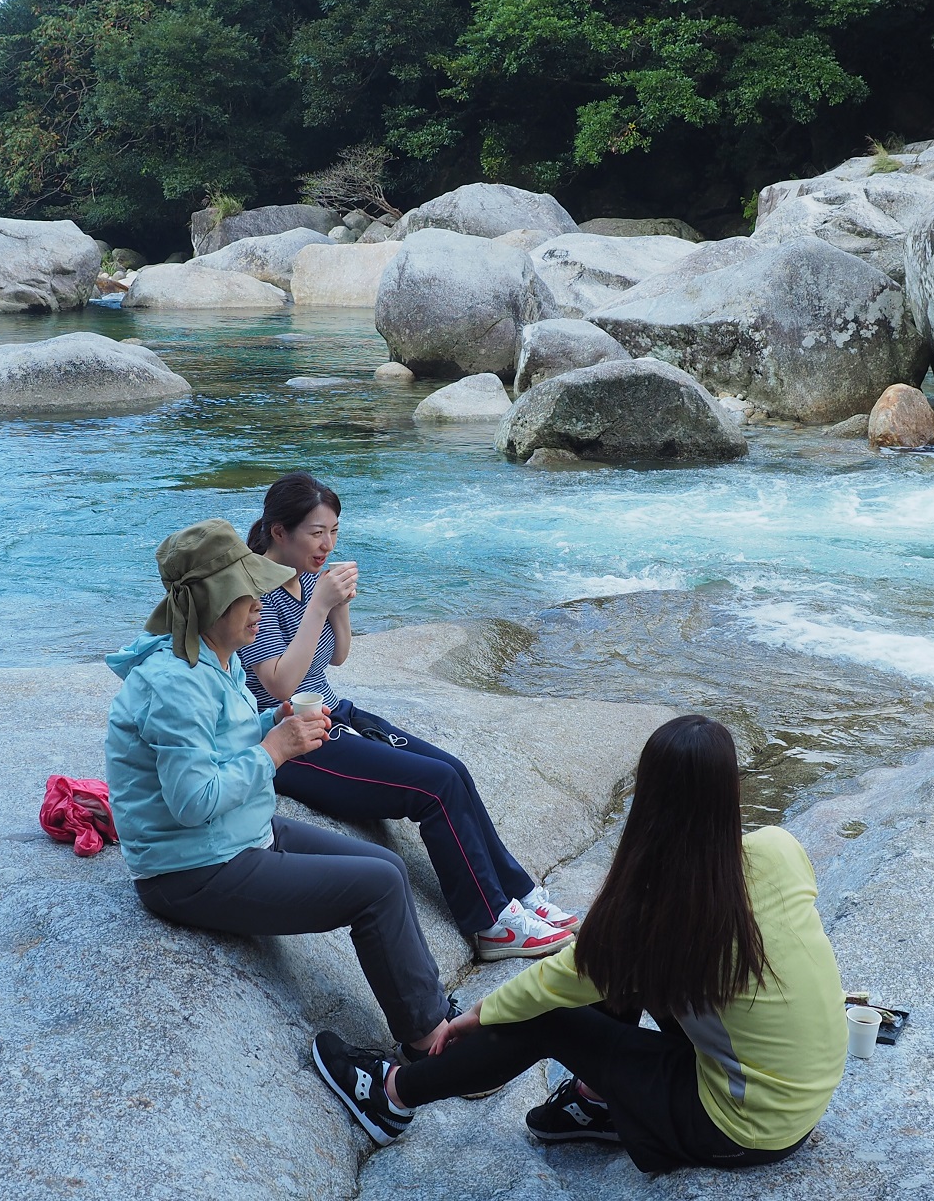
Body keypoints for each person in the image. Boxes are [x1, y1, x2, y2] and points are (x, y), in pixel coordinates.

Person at [310, 714, 848, 1175]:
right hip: (799, 1100)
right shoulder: (779, 848)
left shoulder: (663, 914)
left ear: (650, 798)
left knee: (550, 1017)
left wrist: (477, 1014)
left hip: (740, 1127)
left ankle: (392, 1097)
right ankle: (599, 1101)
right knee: (629, 976)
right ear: (731, 791)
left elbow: (562, 979)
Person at [106, 518, 453, 1062]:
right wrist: (274, 749)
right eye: (249, 594)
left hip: (237, 833)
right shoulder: (176, 684)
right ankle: (429, 1043)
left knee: (387, 865)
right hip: (191, 870)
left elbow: (220, 739)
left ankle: (430, 1007)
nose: (261, 605)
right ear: (213, 600)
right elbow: (192, 803)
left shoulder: (210, 657)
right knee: (379, 887)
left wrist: (272, 720)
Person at [239, 472, 575, 962]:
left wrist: (338, 606)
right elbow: (279, 685)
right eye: (316, 532)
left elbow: (338, 656)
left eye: (334, 531)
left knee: (452, 769)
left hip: (333, 713)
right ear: (278, 532)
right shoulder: (254, 592)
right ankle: (489, 925)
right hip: (290, 736)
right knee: (434, 787)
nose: (328, 544)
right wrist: (319, 605)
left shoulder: (310, 577)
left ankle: (516, 892)